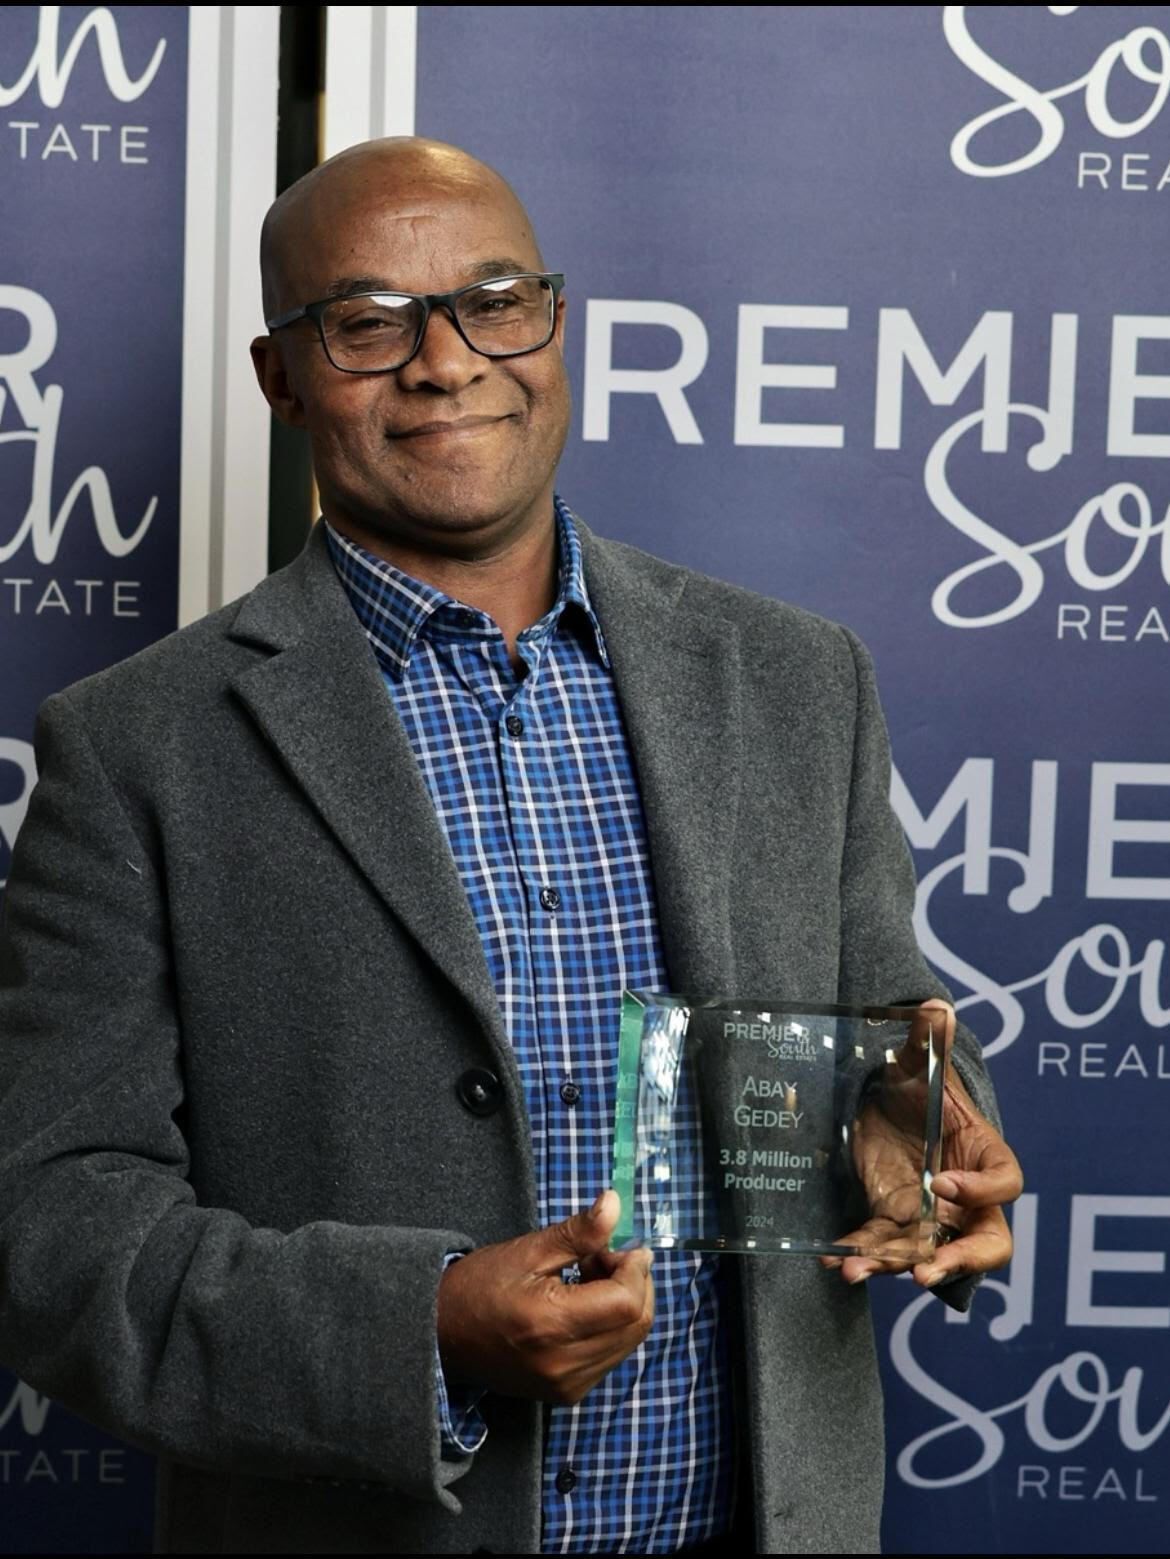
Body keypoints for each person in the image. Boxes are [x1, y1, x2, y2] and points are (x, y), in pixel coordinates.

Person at [0, 138, 1022, 1556]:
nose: (446, 360)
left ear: (554, 324)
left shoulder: (794, 679)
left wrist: (912, 1125)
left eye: (492, 299)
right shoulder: (137, 747)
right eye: (366, 323)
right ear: (279, 376)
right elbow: (52, 1232)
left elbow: (886, 1030)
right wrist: (419, 1326)